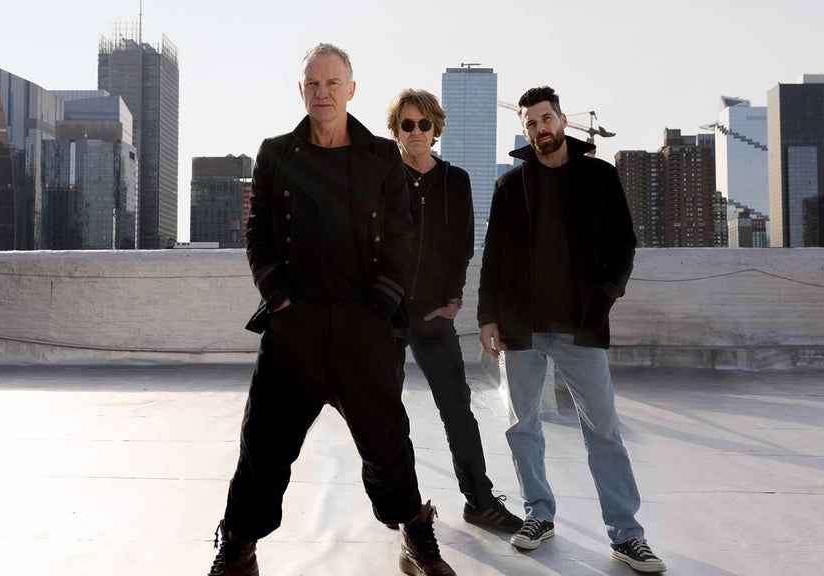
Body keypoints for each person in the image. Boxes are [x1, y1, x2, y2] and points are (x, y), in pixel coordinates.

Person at [207, 44, 455, 576]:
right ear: (301, 90)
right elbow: (258, 235)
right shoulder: (276, 154)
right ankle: (239, 549)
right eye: (313, 84)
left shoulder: (382, 157)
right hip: (294, 328)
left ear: (351, 89)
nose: (323, 93)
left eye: (333, 82)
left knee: (387, 444)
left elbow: (403, 236)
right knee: (263, 447)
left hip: (363, 328)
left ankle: (415, 536)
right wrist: (278, 297)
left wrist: (379, 306)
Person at [477, 86, 666, 573]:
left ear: (562, 120)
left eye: (546, 119)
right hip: (522, 327)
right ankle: (538, 514)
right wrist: (487, 316)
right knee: (523, 426)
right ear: (525, 131)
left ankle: (626, 534)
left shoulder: (599, 176)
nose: (540, 128)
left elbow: (624, 243)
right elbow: (494, 256)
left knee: (603, 430)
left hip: (581, 326)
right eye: (530, 123)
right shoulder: (510, 185)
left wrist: (605, 298)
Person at [385, 89, 522, 533]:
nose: (416, 132)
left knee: (457, 409)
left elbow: (463, 245)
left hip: (433, 314)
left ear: (436, 129)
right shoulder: (383, 176)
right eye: (407, 124)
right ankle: (404, 507)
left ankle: (479, 501)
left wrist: (453, 300)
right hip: (386, 314)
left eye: (424, 124)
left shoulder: (455, 180)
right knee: (386, 414)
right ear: (396, 130)